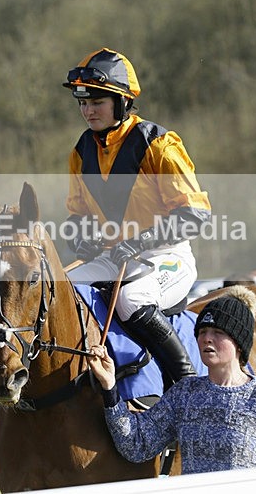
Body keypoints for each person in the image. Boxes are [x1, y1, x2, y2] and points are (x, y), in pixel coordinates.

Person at [63, 47, 212, 388]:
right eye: (82, 102)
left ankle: (188, 388)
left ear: (122, 101)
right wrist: (80, 237)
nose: (87, 110)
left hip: (166, 257)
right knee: (59, 289)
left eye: (96, 102)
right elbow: (77, 215)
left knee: (132, 299)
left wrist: (138, 242)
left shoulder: (158, 144)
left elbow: (195, 214)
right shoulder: (80, 152)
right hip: (113, 258)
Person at [88, 295, 256, 473]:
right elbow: (136, 445)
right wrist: (110, 387)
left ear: (239, 343)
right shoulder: (184, 393)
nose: (207, 338)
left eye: (218, 332)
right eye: (203, 331)